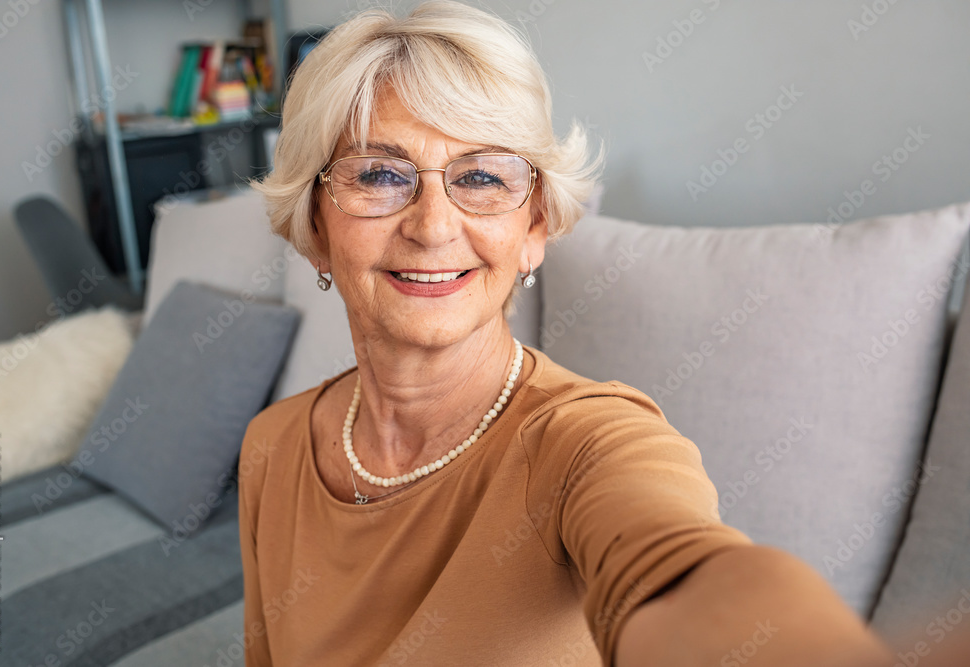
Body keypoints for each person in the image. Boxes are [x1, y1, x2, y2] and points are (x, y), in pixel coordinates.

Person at [238, 2, 898, 665]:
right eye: (380, 174)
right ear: (317, 226)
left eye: (482, 176)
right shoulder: (273, 444)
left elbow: (683, 573)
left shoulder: (592, 442)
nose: (433, 226)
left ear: (533, 230)